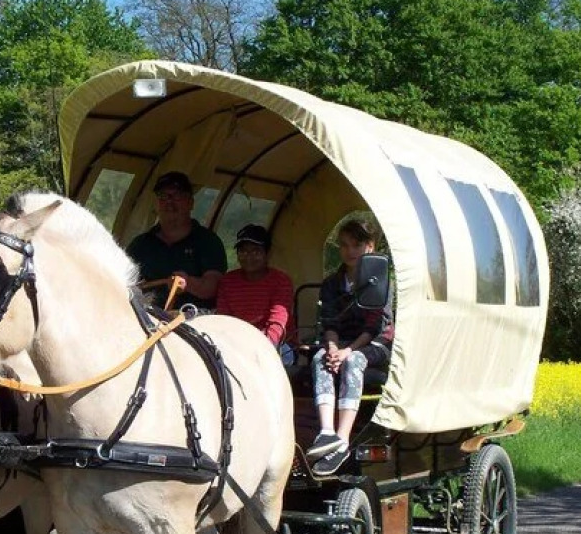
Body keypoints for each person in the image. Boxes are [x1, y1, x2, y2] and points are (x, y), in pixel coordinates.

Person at [305, 218, 394, 476]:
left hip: (374, 345)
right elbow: (329, 321)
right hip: (342, 342)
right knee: (320, 357)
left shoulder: (380, 282)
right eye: (344, 245)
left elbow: (375, 326)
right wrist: (333, 347)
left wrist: (348, 351)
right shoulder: (332, 283)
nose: (349, 251)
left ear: (370, 247)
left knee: (354, 361)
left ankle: (342, 441)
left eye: (356, 245)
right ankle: (326, 432)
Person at [124, 171, 227, 311]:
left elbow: (212, 287)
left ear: (191, 203)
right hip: (146, 319)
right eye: (163, 196)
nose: (169, 201)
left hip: (195, 320)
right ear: (156, 204)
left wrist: (187, 283)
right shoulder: (140, 244)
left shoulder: (208, 242)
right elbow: (123, 283)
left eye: (176, 196)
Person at [215, 223, 296, 366]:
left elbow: (277, 323)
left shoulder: (281, 281)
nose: (249, 257)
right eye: (243, 251)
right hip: (237, 343)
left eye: (256, 251)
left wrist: (260, 347)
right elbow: (224, 319)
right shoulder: (227, 281)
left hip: (276, 344)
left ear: (267, 253)